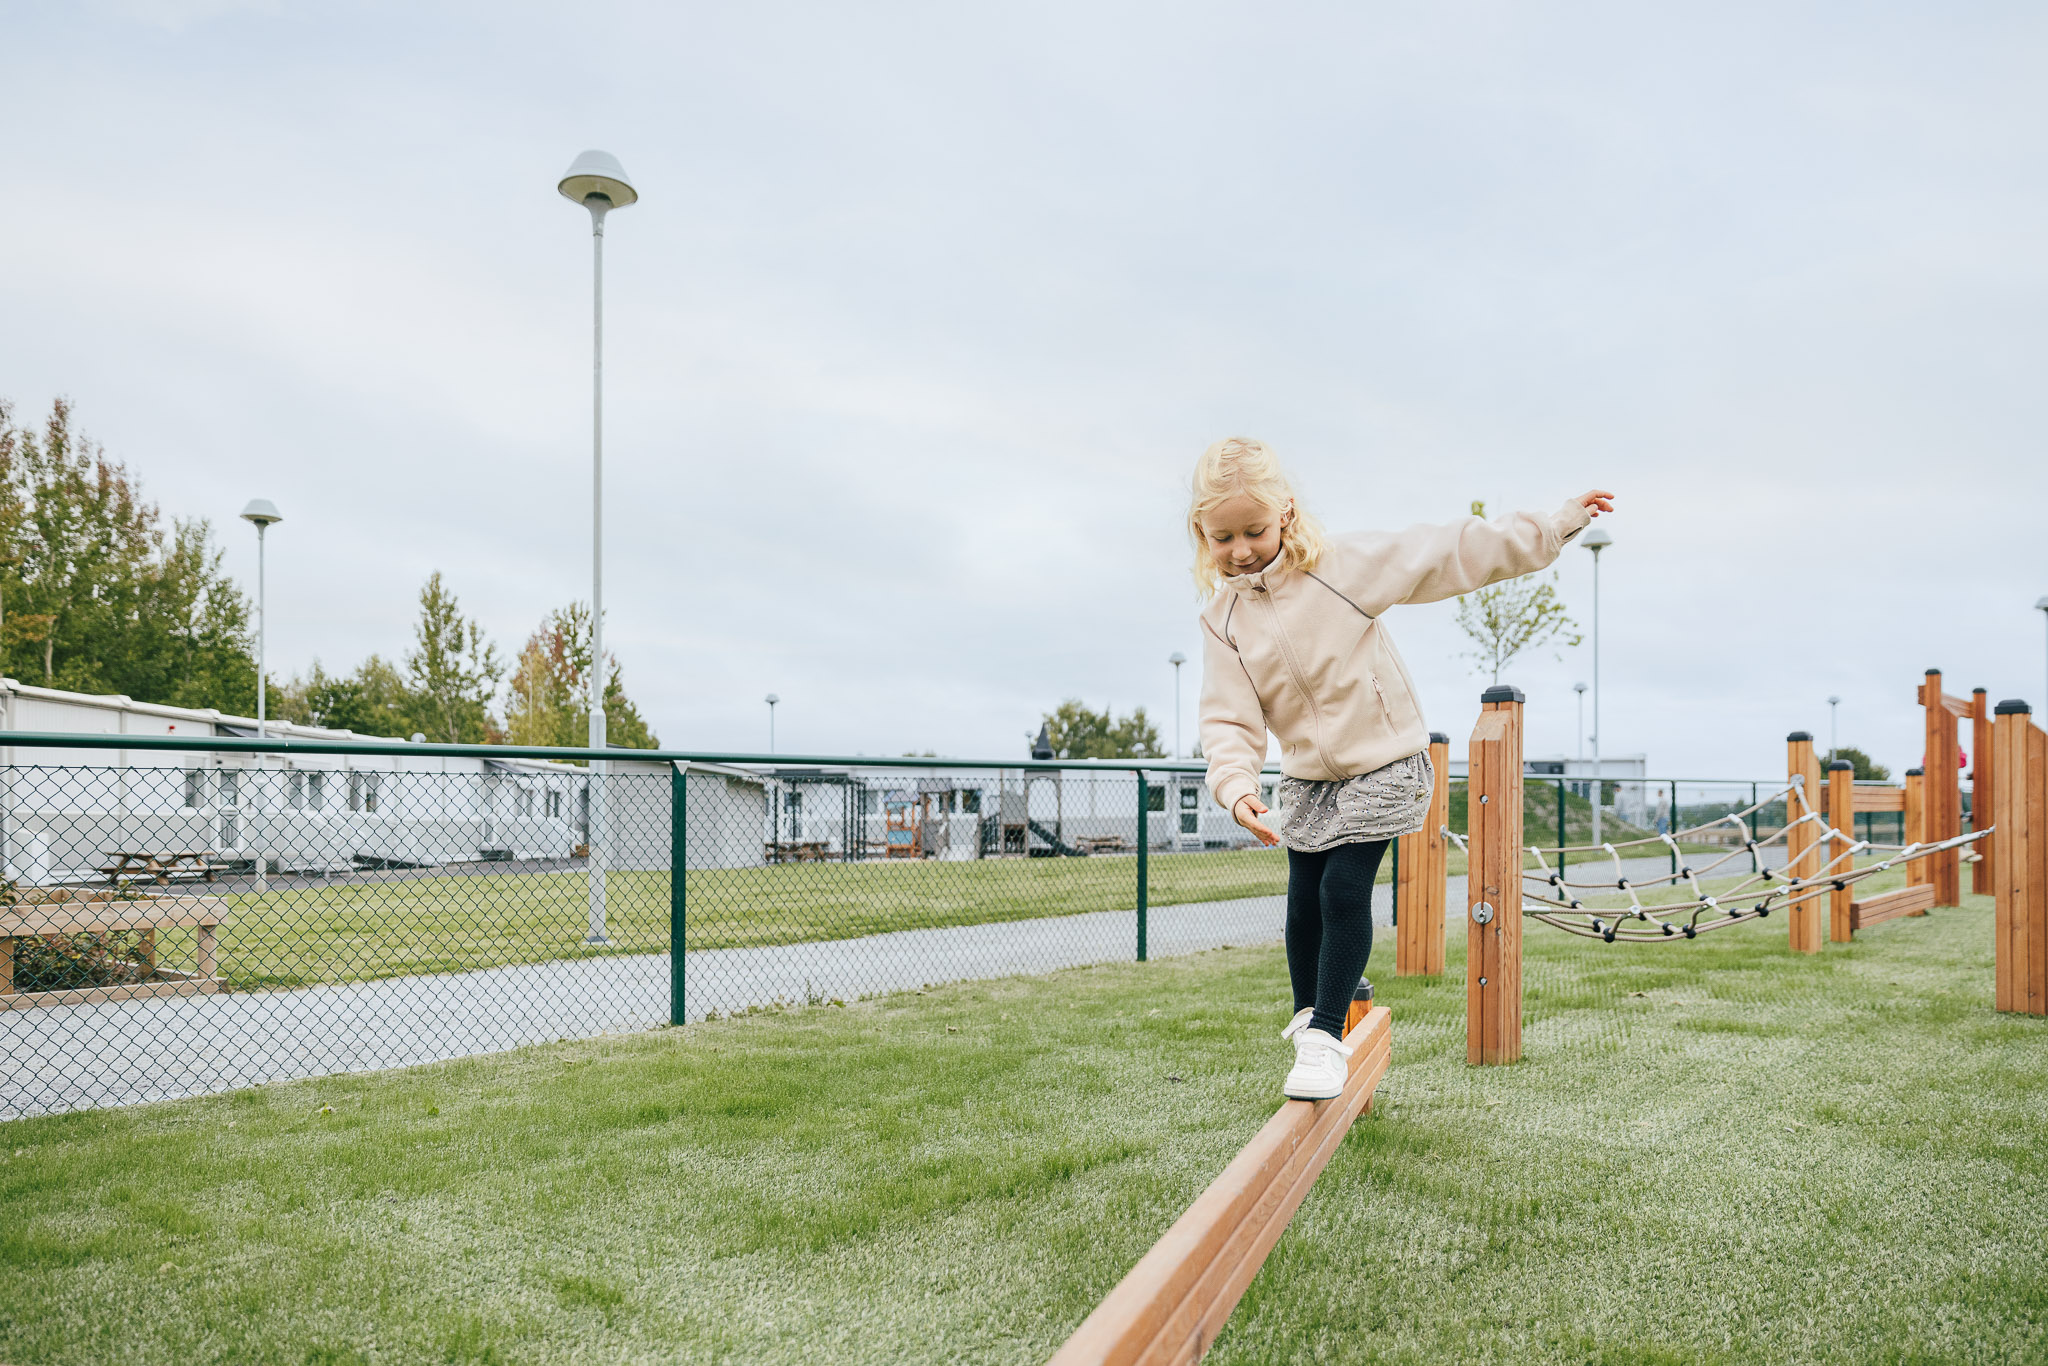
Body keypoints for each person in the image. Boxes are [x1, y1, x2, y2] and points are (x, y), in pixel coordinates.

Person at [1191, 437, 1614, 1099]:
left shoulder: (1339, 568)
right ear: (1202, 533)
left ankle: (1326, 1039)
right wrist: (1236, 785)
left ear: (1286, 514)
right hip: (1308, 779)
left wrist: (1553, 525)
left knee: (1341, 891)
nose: (1240, 550)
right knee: (1304, 900)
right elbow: (1228, 715)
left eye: (1254, 531)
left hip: (1385, 762)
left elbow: (1448, 552)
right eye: (1223, 537)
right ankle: (1309, 1019)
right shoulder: (1223, 620)